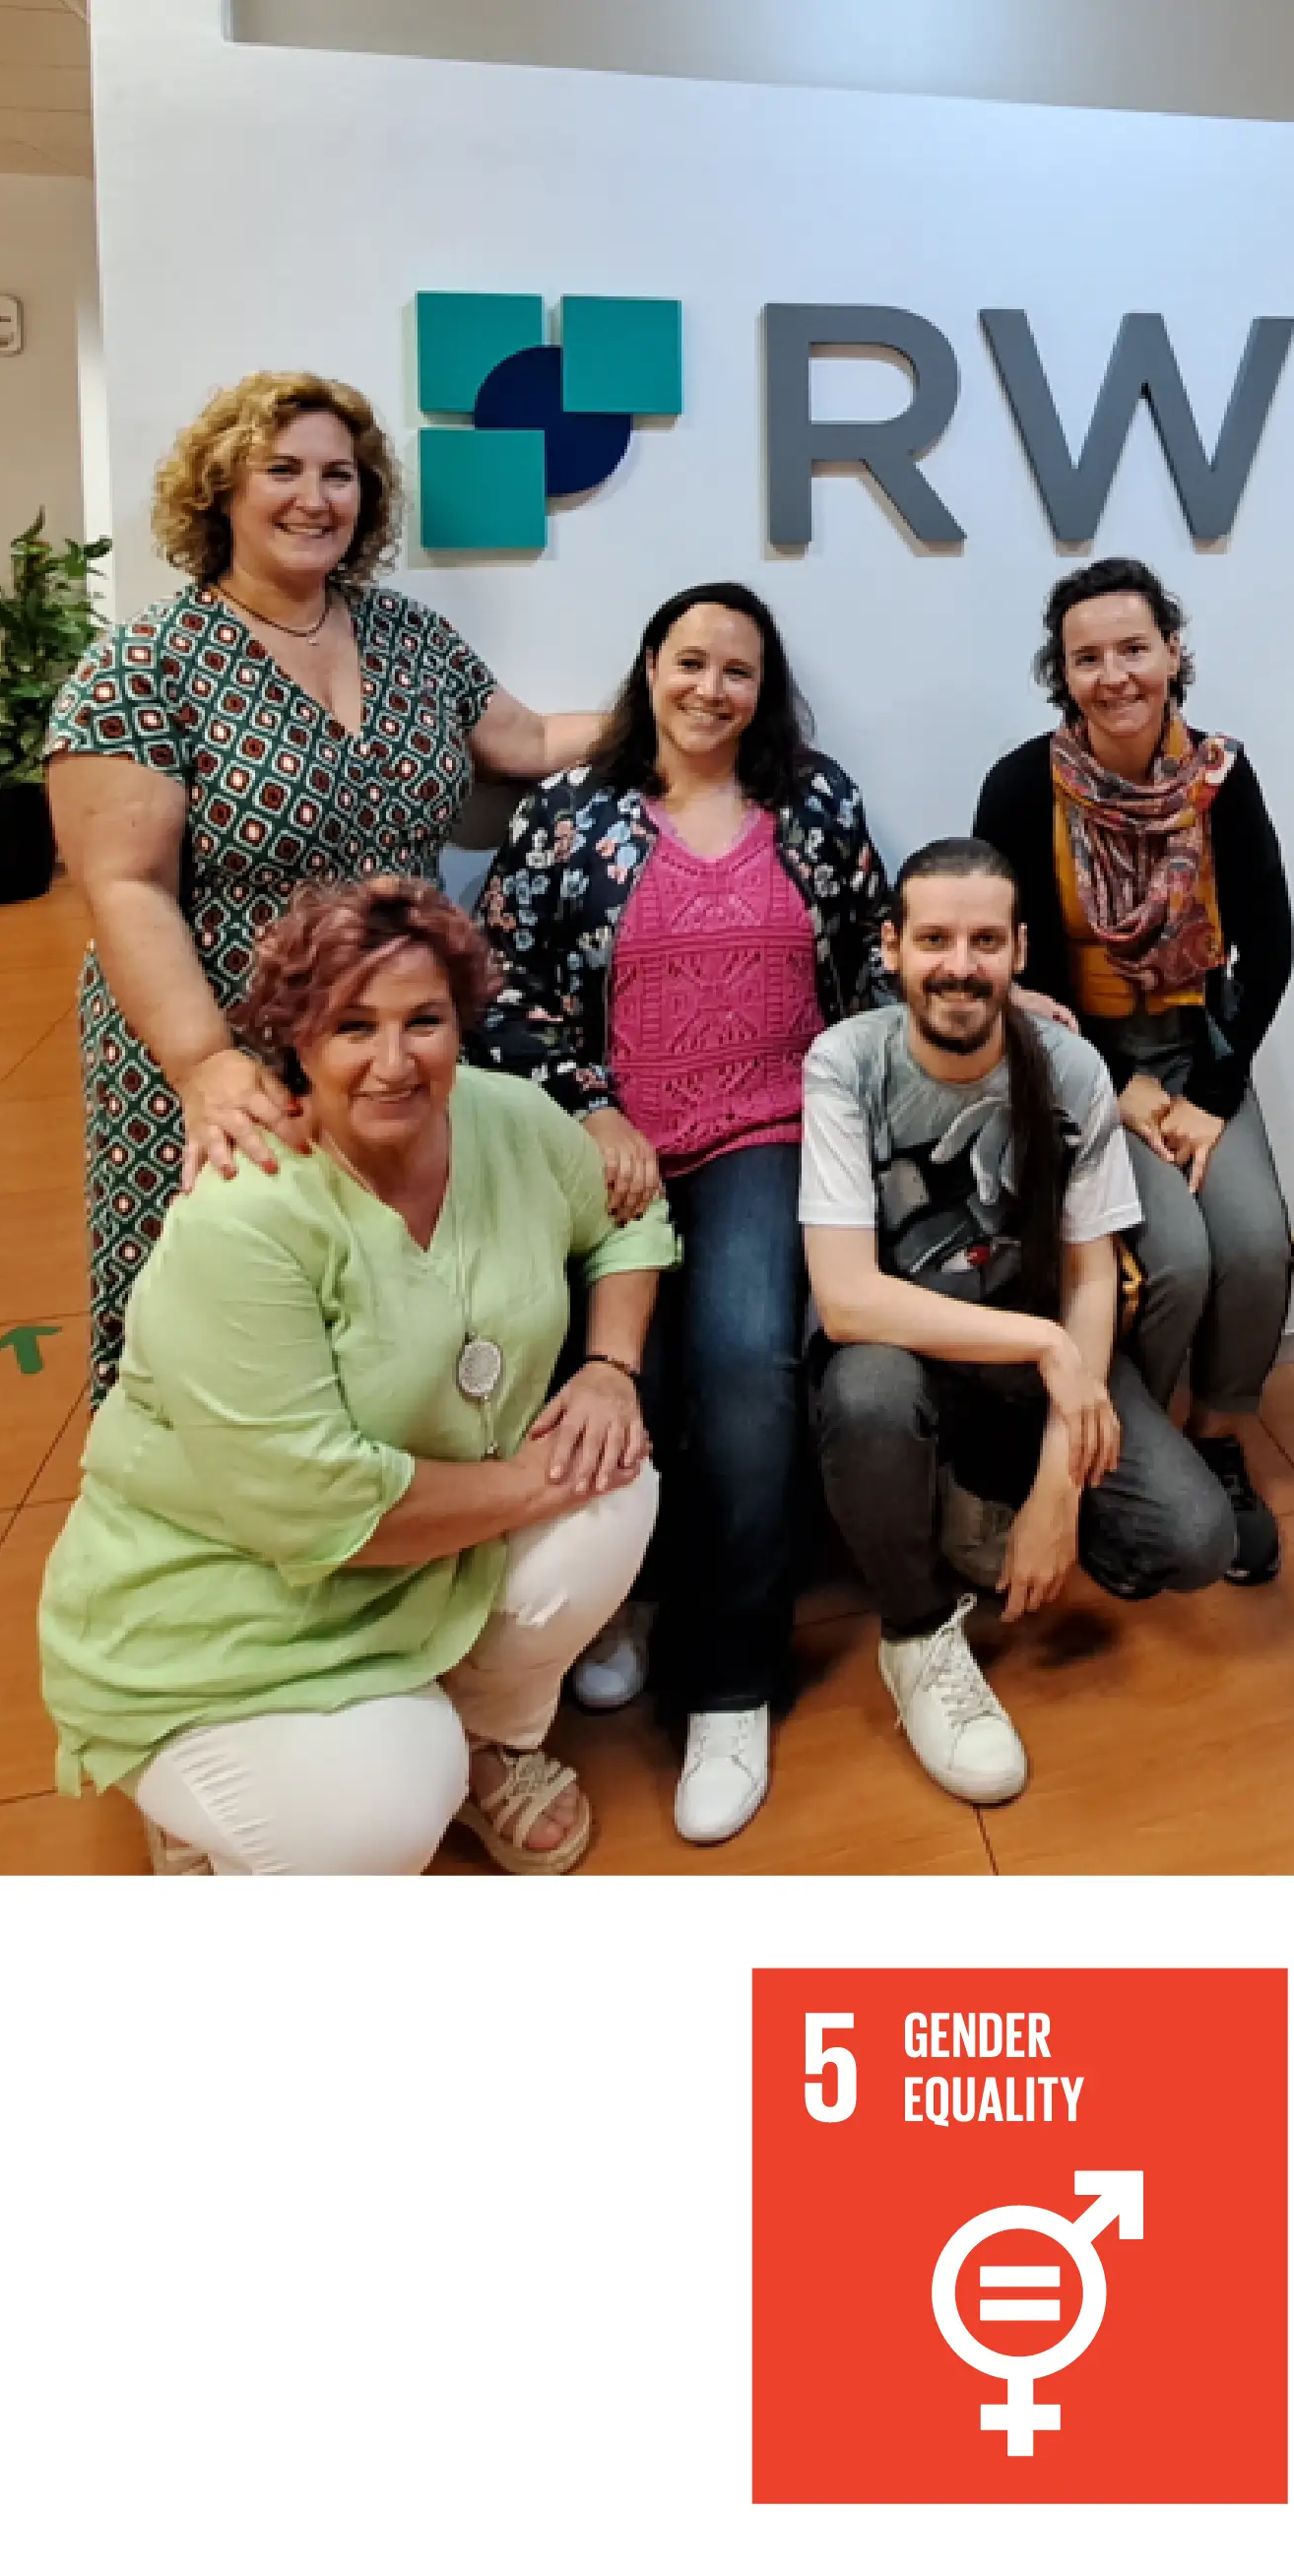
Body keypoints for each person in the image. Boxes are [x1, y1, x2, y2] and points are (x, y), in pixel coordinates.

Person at [37, 877, 676, 1876]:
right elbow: (321, 1509)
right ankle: (208, 1793)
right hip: (231, 1609)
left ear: (461, 1022)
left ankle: (480, 1739)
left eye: (423, 1020)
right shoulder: (244, 1215)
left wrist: (607, 1367)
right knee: (383, 1816)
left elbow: (629, 1219)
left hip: (430, 1551)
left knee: (617, 1482)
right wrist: (538, 1482)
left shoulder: (508, 1120)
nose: (393, 1061)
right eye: (352, 1027)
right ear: (296, 1040)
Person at [43, 370, 599, 1400]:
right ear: (221, 490)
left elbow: (523, 742)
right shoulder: (143, 667)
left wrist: (680, 716)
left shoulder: (409, 637)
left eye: (339, 475)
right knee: (218, 1345)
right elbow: (124, 887)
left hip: (386, 1049)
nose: (315, 498)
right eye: (282, 470)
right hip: (223, 1049)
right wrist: (205, 1065)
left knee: (383, 1338)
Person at [472, 582, 890, 1845]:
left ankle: (732, 1678)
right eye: (691, 661)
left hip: (770, 1131)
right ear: (649, 665)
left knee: (746, 1364)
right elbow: (495, 982)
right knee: (622, 1379)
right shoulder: (568, 811)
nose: (712, 688)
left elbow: (876, 954)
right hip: (613, 1153)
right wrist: (591, 1106)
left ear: (765, 691)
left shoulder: (812, 801)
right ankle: (632, 1600)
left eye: (738, 671)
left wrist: (985, 1002)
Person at [804, 838, 1237, 1804]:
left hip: (1028, 1357)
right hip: (910, 1353)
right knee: (867, 1395)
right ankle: (915, 1632)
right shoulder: (846, 1062)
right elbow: (846, 1297)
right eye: (934, 939)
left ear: (1020, 950)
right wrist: (1047, 1349)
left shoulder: (1072, 1068)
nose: (959, 966)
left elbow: (1090, 1278)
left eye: (985, 941)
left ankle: (988, 1505)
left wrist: (1057, 1490)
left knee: (1196, 1538)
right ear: (891, 947)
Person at [972, 559, 1293, 1584]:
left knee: (1255, 1248)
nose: (1113, 675)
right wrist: (1118, 1079)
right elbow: (1014, 969)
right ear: (1061, 673)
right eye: (1087, 657)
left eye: (1133, 648)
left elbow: (1269, 948)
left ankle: (1217, 1443)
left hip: (1203, 1055)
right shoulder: (1020, 786)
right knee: (1179, 1262)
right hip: (1078, 1061)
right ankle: (1128, 1465)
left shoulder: (1221, 778)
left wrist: (1208, 1098)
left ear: (1172, 653)